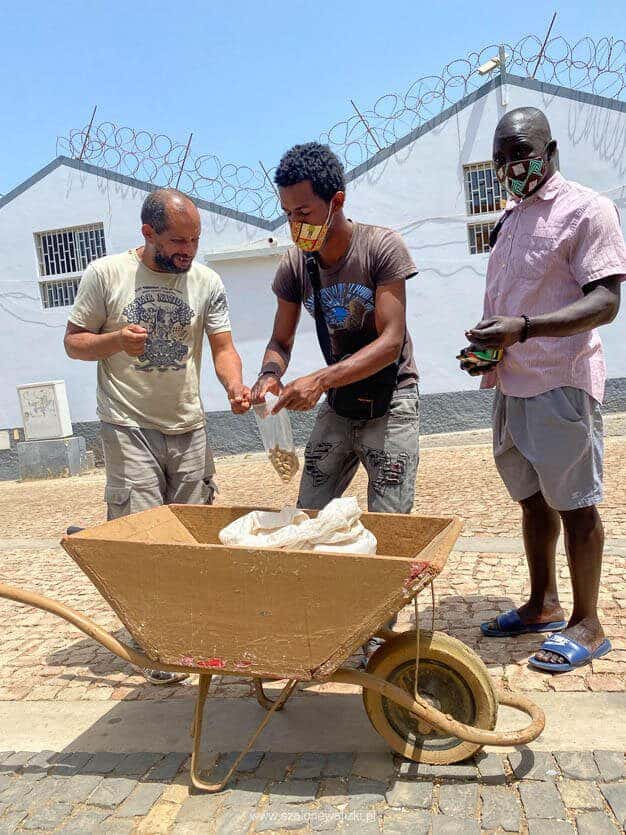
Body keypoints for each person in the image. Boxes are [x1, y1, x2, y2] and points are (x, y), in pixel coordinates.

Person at [459, 107, 625, 672]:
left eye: (520, 154)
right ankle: (543, 604)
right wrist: (488, 349)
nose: (510, 167)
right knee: (532, 501)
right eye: (500, 158)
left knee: (575, 504)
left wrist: (525, 329)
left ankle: (588, 624)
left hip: (561, 383)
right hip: (512, 383)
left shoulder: (587, 210)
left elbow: (605, 302)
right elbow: (512, 302)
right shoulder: (510, 218)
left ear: (550, 151)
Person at [65, 188, 250, 683]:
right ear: (148, 233)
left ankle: (190, 630)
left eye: (195, 240)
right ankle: (154, 641)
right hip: (128, 426)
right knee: (144, 539)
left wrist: (234, 385)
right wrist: (114, 340)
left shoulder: (206, 281)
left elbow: (223, 347)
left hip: (189, 427)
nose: (188, 250)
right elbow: (74, 343)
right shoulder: (107, 274)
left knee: (192, 538)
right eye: (178, 241)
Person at [251, 142, 420, 516]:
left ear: (337, 202)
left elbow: (391, 343)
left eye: (304, 213)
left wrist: (320, 380)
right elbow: (280, 340)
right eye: (288, 214)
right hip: (340, 402)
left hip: (392, 399)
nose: (295, 226)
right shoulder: (295, 265)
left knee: (390, 527)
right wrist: (269, 374)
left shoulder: (381, 247)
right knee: (307, 516)